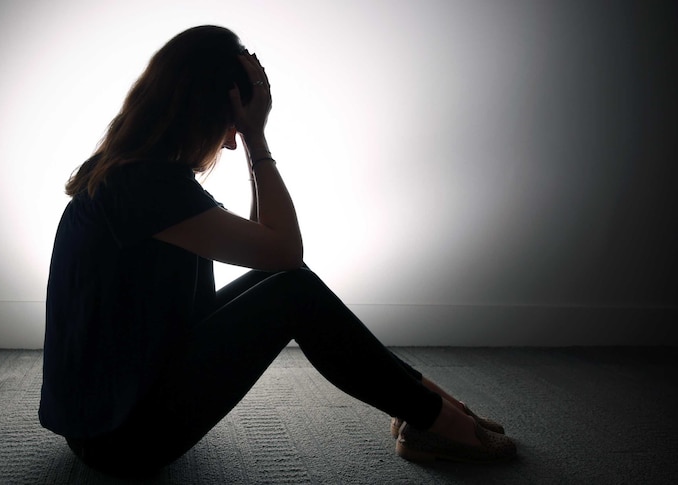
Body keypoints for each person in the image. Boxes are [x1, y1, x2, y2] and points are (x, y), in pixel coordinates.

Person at [39, 25, 516, 478]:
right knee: (294, 292)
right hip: (121, 441)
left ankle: (423, 404)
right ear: (207, 111)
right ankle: (435, 419)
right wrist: (257, 137)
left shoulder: (136, 174)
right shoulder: (145, 186)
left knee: (283, 284)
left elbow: (265, 250)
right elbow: (285, 250)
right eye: (230, 125)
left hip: (112, 416)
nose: (228, 141)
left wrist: (248, 133)